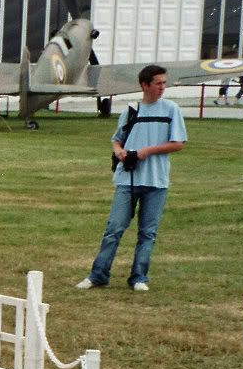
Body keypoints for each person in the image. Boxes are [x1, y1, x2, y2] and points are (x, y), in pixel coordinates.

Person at [75, 65, 187, 292]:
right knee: (114, 228)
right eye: (158, 83)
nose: (162, 87)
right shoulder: (131, 110)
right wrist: (119, 152)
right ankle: (98, 275)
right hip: (128, 179)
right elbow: (117, 139)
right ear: (145, 85)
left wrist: (146, 151)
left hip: (156, 181)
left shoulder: (171, 110)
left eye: (164, 83)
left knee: (147, 233)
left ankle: (139, 277)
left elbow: (178, 144)